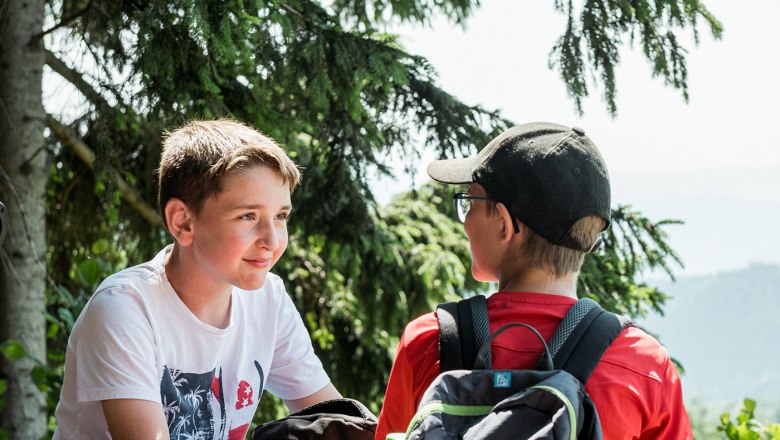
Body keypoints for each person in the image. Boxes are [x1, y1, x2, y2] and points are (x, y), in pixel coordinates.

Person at [375, 122, 692, 439]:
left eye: (470, 202)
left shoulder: (429, 341)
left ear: (504, 224)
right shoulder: (643, 364)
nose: (465, 220)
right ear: (591, 241)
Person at [54, 120, 341, 439]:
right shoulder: (125, 308)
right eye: (248, 216)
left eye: (280, 217)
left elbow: (337, 420)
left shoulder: (268, 298)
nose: (272, 240)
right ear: (183, 222)